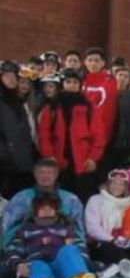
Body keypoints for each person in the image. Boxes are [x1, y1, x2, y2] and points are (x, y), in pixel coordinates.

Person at [3, 191, 95, 278]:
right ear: (35, 210)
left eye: (50, 208)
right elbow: (13, 249)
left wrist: (83, 260)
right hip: (38, 265)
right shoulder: (26, 230)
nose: (46, 210)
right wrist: (18, 264)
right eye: (42, 208)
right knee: (37, 266)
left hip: (62, 270)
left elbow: (79, 245)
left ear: (56, 210)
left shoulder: (65, 228)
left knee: (68, 250)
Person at [38, 69, 105, 203]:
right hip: (58, 162)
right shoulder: (52, 107)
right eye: (68, 82)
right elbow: (44, 134)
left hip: (82, 161)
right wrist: (49, 155)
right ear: (63, 84)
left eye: (75, 82)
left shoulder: (89, 107)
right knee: (58, 199)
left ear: (80, 85)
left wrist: (93, 157)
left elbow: (99, 135)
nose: (72, 85)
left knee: (81, 199)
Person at [2, 158, 85, 247]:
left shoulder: (71, 199)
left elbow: (79, 229)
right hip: (28, 245)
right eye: (41, 173)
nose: (45, 176)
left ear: (56, 175)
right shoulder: (21, 198)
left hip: (63, 244)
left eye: (49, 173)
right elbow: (7, 227)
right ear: (35, 175)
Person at [85, 169, 130, 278]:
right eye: (114, 183)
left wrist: (128, 239)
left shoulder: (128, 204)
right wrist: (112, 239)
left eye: (121, 184)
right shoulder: (96, 200)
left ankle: (113, 268)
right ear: (108, 184)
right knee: (109, 248)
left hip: (118, 241)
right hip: (99, 241)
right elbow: (92, 227)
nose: (117, 187)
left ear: (125, 187)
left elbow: (128, 228)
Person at [0, 60, 35, 198]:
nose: (12, 79)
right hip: (5, 165)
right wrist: (5, 156)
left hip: (22, 165)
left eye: (14, 76)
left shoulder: (18, 102)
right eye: (7, 76)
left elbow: (25, 132)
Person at [81, 47, 119, 150]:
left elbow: (107, 112)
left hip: (100, 137)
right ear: (85, 62)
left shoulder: (110, 83)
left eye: (96, 60)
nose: (93, 64)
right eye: (90, 60)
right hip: (79, 136)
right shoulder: (80, 81)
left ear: (103, 63)